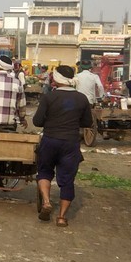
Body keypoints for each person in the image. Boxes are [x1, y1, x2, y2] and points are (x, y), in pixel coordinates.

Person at [32, 66, 94, 227]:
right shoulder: (82, 98)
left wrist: (51, 121)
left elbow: (37, 122)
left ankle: (46, 202)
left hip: (50, 139)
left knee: (45, 171)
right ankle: (61, 217)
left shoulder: (49, 97)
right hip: (70, 142)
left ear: (56, 79)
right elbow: (88, 122)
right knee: (67, 179)